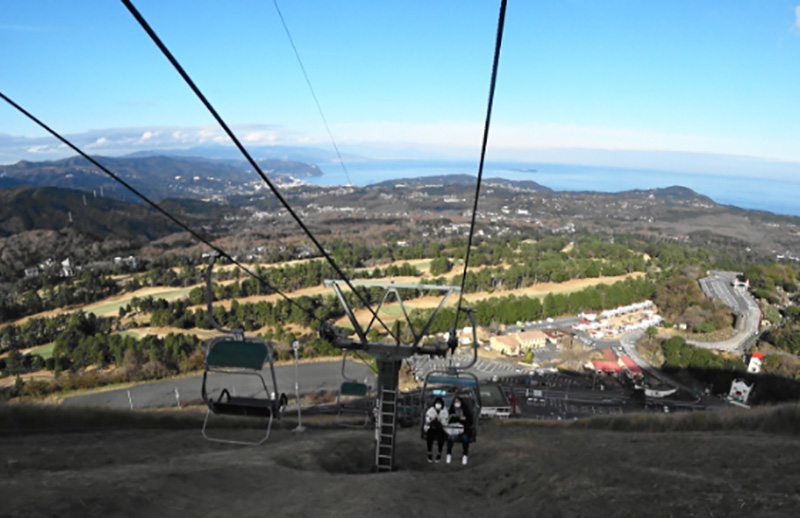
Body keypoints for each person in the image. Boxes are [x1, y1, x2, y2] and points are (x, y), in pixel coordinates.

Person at [446, 396, 473, 465]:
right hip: (454, 428)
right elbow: (449, 420)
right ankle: (449, 454)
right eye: (455, 402)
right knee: (450, 438)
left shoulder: (465, 410)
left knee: (465, 439)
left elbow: (469, 420)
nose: (456, 403)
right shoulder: (452, 410)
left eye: (458, 401)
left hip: (464, 429)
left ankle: (465, 455)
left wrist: (461, 419)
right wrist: (459, 419)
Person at [424, 396, 448, 463]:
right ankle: (429, 452)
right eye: (437, 403)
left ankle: (439, 453)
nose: (438, 404)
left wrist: (441, 420)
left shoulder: (444, 411)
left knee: (441, 437)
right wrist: (431, 419)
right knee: (429, 436)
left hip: (441, 428)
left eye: (439, 403)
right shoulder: (431, 410)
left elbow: (446, 421)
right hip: (432, 427)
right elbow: (427, 418)